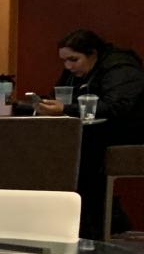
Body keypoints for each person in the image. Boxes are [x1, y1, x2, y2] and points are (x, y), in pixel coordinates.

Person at [35, 28, 144, 235]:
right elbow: (60, 96)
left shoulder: (122, 69)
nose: (68, 66)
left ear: (92, 54)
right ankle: (85, 220)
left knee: (84, 151)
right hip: (96, 132)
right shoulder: (76, 72)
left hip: (129, 133)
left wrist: (65, 109)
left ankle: (94, 223)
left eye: (73, 60)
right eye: (64, 61)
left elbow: (116, 107)